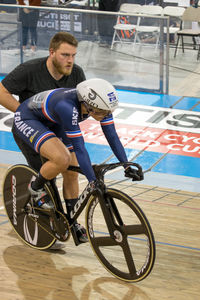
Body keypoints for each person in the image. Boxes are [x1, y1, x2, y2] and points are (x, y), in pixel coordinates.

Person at [13, 78, 143, 230]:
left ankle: (71, 222)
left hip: (55, 120)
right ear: (88, 105)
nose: (106, 115)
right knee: (62, 159)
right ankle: (35, 189)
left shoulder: (100, 107)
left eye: (109, 112)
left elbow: (112, 136)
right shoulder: (67, 107)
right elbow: (80, 147)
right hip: (29, 118)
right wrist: (92, 181)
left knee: (72, 172)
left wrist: (126, 166)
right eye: (102, 112)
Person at [0, 31, 86, 248]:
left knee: (72, 170)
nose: (70, 60)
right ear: (51, 52)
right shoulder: (30, 69)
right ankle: (46, 216)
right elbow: (1, 91)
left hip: (57, 127)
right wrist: (22, 112)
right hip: (30, 128)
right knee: (51, 175)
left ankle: (72, 220)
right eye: (65, 55)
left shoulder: (76, 73)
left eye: (73, 55)